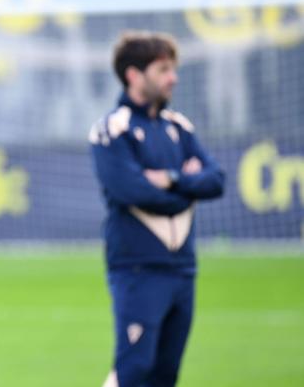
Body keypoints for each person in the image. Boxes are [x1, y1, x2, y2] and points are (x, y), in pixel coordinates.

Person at [89, 31, 225, 387]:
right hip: (138, 269)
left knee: (166, 375)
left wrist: (168, 178)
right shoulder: (112, 129)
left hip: (183, 270)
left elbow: (216, 180)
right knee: (134, 370)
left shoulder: (179, 127)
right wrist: (187, 187)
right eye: (163, 69)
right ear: (134, 74)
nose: (172, 78)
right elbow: (132, 190)